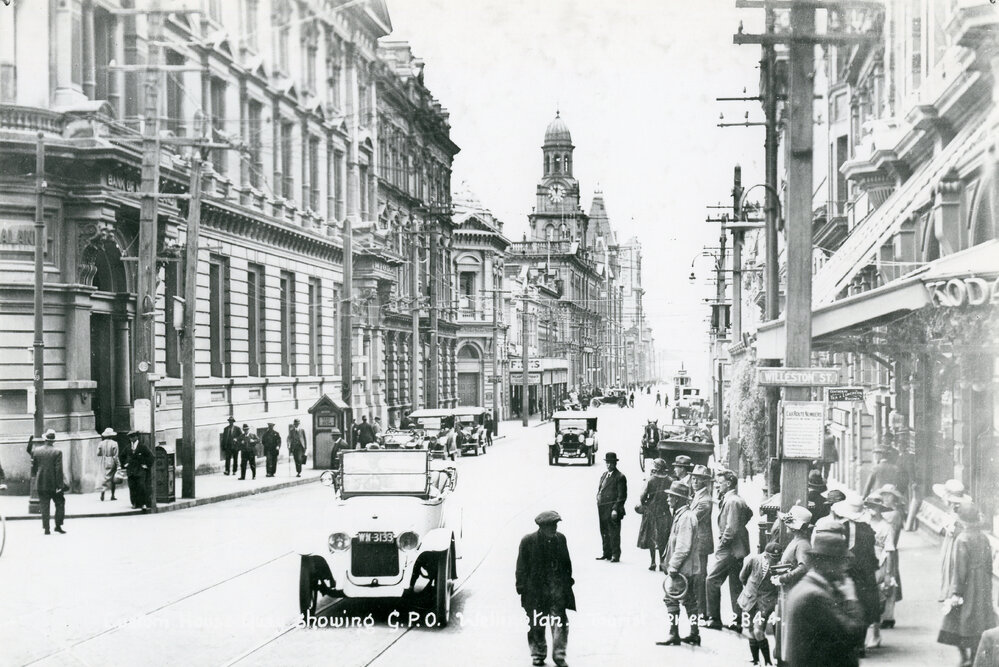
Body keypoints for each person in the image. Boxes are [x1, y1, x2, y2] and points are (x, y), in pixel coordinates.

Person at [784, 531, 865, 667]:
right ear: (826, 563)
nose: (844, 569)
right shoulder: (815, 597)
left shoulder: (807, 588)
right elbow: (853, 634)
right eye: (840, 562)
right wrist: (850, 598)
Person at [939, 503, 997, 667]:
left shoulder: (962, 539)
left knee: (956, 619)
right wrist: (986, 584)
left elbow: (960, 568)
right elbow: (989, 563)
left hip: (967, 584)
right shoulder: (984, 537)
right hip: (982, 583)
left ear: (962, 520)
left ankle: (964, 656)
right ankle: (974, 656)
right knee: (980, 619)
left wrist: (956, 591)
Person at [515, 510, 575, 667]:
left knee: (560, 623)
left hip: (557, 588)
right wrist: (521, 588)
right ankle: (538, 654)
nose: (554, 528)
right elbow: (521, 567)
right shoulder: (528, 541)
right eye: (550, 525)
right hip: (536, 591)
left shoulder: (561, 539)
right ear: (541, 527)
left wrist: (567, 583)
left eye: (555, 524)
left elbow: (567, 563)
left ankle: (559, 655)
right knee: (536, 623)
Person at [830, 494, 880, 654]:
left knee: (844, 605)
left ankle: (848, 642)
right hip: (866, 575)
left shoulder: (838, 528)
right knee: (863, 607)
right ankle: (860, 644)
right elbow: (873, 556)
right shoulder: (868, 529)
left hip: (846, 573)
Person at [706, 468, 753, 632]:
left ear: (728, 483)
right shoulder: (737, 499)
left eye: (719, 483)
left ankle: (714, 619)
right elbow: (749, 514)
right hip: (738, 549)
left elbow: (731, 528)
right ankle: (737, 621)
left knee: (711, 580)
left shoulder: (732, 501)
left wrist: (722, 544)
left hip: (730, 550)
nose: (717, 486)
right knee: (735, 585)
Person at [658, 480, 701, 647]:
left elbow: (683, 547)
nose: (668, 499)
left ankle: (673, 633)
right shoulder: (683, 515)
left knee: (671, 599)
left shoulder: (686, 518)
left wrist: (673, 567)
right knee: (690, 600)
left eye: (671, 496)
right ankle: (694, 634)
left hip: (683, 569)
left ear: (678, 499)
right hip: (687, 568)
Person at [739, 541, 782, 665]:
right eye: (772, 557)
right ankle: (756, 660)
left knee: (758, 631)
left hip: (765, 603)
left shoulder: (778, 566)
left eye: (777, 557)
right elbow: (742, 576)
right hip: (749, 599)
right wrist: (749, 590)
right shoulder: (754, 560)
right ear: (765, 554)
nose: (775, 560)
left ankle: (767, 661)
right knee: (751, 631)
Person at [865, 494, 897, 645]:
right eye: (870, 506)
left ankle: (876, 635)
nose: (872, 510)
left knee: (876, 598)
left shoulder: (886, 526)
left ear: (880, 509)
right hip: (865, 562)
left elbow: (890, 551)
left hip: (879, 563)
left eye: (875, 507)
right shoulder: (863, 522)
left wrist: (888, 574)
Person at [636, 458, 674, 571]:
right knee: (663, 537)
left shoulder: (650, 480)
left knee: (651, 537)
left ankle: (653, 562)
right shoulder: (670, 480)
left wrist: (645, 504)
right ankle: (662, 562)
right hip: (664, 511)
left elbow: (642, 496)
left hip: (651, 511)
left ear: (656, 468)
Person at [689, 464, 715, 622]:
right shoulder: (698, 496)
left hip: (701, 543)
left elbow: (692, 519)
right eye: (693, 479)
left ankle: (701, 612)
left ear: (705, 481)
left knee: (700, 577)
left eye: (699, 479)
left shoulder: (704, 500)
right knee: (697, 576)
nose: (695, 482)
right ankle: (699, 609)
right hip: (698, 542)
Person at [31, 429, 67, 534]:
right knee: (60, 503)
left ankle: (46, 529)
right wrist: (60, 485)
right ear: (53, 441)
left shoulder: (36, 451)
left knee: (44, 506)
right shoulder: (57, 452)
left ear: (45, 439)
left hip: (41, 483)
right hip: (54, 483)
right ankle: (58, 525)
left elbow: (34, 467)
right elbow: (58, 470)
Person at [596, 452, 627, 562]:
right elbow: (600, 489)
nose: (609, 465)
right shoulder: (604, 475)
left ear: (615, 463)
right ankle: (606, 553)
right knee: (604, 530)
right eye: (607, 463)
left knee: (614, 532)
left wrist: (615, 509)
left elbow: (622, 496)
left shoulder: (620, 477)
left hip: (612, 509)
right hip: (602, 508)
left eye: (611, 463)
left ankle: (615, 554)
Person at [121, 430, 153, 510]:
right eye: (130, 437)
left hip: (140, 470)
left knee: (141, 486)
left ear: (137, 437)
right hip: (131, 471)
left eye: (133, 436)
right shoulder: (128, 447)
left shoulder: (142, 447)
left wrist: (146, 465)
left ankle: (143, 503)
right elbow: (122, 456)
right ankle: (134, 503)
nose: (131, 438)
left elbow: (151, 456)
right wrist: (125, 464)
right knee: (132, 487)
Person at [97, 427, 119, 502]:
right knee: (113, 478)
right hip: (111, 460)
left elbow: (98, 453)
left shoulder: (101, 443)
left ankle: (102, 493)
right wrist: (118, 464)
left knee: (104, 477)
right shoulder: (114, 443)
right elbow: (115, 455)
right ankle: (112, 495)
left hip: (103, 460)